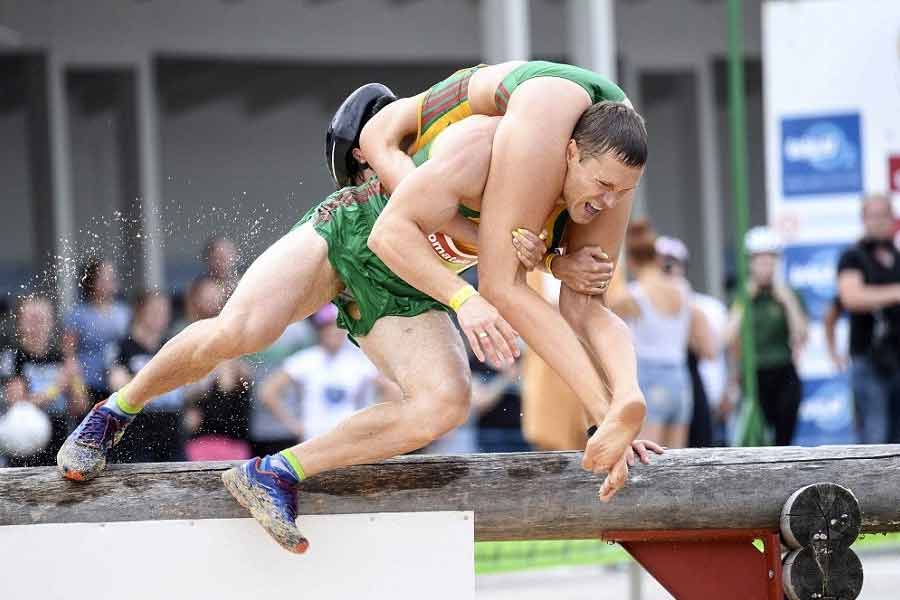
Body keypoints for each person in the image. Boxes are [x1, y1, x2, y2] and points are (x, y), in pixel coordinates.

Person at [58, 80, 655, 554]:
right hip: (358, 230)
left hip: (412, 286)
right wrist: (467, 299)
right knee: (243, 331)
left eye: (618, 193)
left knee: (443, 405)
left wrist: (614, 415)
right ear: (568, 151)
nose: (605, 202)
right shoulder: (484, 147)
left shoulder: (581, 205)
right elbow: (396, 233)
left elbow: (587, 313)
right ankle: (113, 412)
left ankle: (276, 472)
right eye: (601, 184)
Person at [362, 61, 652, 491]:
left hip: (552, 109)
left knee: (501, 286)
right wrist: (552, 261)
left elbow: (417, 209)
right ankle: (625, 393)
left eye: (619, 192)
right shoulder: (514, 135)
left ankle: (608, 415)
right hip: (619, 121)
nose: (612, 201)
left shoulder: (378, 129)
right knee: (588, 298)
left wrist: (536, 259)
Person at [608, 222, 716, 450]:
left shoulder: (632, 295)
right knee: (676, 458)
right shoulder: (683, 290)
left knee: (647, 456)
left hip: (649, 377)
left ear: (631, 261)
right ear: (657, 257)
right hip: (680, 378)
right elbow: (708, 346)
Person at [259, 305, 397, 444]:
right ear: (320, 331)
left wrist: (369, 422)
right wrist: (294, 425)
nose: (334, 331)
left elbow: (392, 390)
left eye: (338, 327)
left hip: (348, 439)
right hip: (311, 440)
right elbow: (268, 391)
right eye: (328, 327)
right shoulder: (305, 360)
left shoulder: (358, 361)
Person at [726, 226, 808, 446]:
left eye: (770, 260)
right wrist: (745, 300)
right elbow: (728, 337)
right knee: (754, 438)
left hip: (783, 370)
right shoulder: (740, 295)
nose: (765, 266)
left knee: (784, 437)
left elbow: (801, 335)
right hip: (754, 374)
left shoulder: (788, 294)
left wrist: (788, 301)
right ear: (750, 263)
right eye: (760, 260)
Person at [837, 194, 900, 444]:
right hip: (869, 360)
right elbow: (850, 297)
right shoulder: (853, 256)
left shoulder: (896, 257)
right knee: (875, 437)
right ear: (864, 219)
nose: (880, 221)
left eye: (885, 214)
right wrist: (895, 293)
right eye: (874, 215)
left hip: (897, 358)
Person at [655, 236, 729, 447]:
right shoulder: (637, 300)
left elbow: (710, 351)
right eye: (659, 264)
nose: (665, 271)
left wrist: (682, 306)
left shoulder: (697, 307)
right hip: (652, 388)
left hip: (688, 385)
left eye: (671, 264)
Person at [0, 296, 88, 466]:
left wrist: (75, 382)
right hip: (23, 450)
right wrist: (55, 389)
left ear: (51, 323)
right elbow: (18, 403)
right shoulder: (12, 357)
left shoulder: (62, 358)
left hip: (60, 447)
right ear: (20, 324)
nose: (36, 326)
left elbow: (80, 406)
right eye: (31, 319)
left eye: (42, 319)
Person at [107, 291, 184, 463]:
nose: (162, 316)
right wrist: (159, 381)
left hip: (173, 432)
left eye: (165, 311)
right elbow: (117, 384)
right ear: (139, 311)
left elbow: (186, 386)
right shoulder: (122, 347)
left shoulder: (171, 346)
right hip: (138, 433)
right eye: (155, 311)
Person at [62, 260, 131, 403]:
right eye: (105, 277)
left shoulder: (124, 312)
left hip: (119, 379)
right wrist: (77, 387)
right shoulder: (78, 314)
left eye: (112, 277)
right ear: (91, 281)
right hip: (88, 381)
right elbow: (69, 354)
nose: (110, 281)